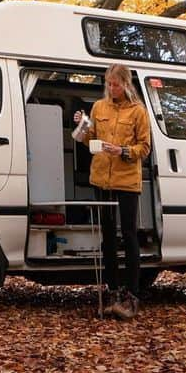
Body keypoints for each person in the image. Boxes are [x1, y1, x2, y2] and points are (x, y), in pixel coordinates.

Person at [73, 63, 151, 320]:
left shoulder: (138, 111)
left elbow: (145, 148)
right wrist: (82, 125)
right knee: (107, 237)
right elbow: (87, 139)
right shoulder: (99, 107)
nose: (111, 88)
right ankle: (111, 291)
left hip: (127, 181)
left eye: (115, 84)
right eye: (108, 83)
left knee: (128, 236)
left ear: (126, 84)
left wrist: (124, 152)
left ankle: (132, 294)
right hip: (101, 180)